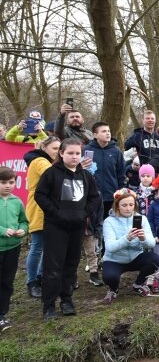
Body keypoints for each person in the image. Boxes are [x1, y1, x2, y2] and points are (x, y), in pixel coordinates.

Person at [35, 138, 101, 319]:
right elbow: (40, 195)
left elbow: (95, 198)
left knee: (71, 265)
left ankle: (66, 299)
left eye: (77, 153)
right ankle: (49, 305)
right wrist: (56, 213)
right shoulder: (51, 173)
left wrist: (84, 213)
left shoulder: (86, 176)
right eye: (70, 153)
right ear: (61, 153)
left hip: (77, 226)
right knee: (53, 266)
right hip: (55, 227)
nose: (74, 157)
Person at [101, 189, 159, 303]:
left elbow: (152, 244)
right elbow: (110, 247)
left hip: (135, 257)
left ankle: (138, 285)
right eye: (124, 205)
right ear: (117, 206)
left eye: (131, 205)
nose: (128, 208)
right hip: (114, 260)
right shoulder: (109, 221)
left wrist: (143, 238)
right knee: (109, 277)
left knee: (155, 259)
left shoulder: (141, 219)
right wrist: (127, 238)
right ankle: (114, 289)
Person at [23, 135, 60, 299]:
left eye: (59, 149)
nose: (57, 152)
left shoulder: (47, 161)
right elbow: (54, 176)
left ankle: (39, 276)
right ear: (44, 148)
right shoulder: (40, 161)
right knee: (37, 246)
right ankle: (32, 282)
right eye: (54, 149)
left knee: (47, 246)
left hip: (47, 209)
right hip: (39, 209)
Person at [0, 167, 28, 331]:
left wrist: (23, 230)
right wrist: (3, 231)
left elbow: (24, 221)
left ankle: (2, 315)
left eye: (11, 182)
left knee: (7, 282)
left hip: (13, 248)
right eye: (3, 182)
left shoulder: (17, 201)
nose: (8, 186)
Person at [85, 122, 126, 218]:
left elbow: (121, 173)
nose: (108, 133)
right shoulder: (87, 150)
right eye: (104, 131)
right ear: (95, 135)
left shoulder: (116, 151)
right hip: (93, 195)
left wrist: (121, 191)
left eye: (108, 131)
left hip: (112, 195)